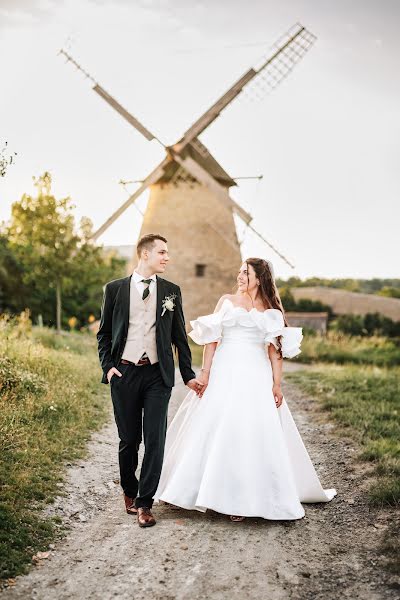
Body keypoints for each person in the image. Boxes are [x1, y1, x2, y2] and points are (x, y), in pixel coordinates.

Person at [155, 258, 337, 521]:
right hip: (225, 370)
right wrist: (205, 373)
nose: (239, 276)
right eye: (239, 271)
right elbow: (211, 340)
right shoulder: (226, 301)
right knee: (214, 427)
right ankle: (196, 491)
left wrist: (276, 384)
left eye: (245, 273)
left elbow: (275, 352)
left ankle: (241, 500)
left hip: (255, 373)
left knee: (247, 432)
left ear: (259, 278)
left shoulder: (271, 311)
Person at [97, 233, 203, 528]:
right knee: (129, 440)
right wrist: (108, 368)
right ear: (144, 255)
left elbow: (180, 337)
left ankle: (145, 503)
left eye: (167, 253)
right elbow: (104, 334)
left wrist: (188, 376)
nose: (167, 257)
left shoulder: (171, 291)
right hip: (125, 372)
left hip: (158, 375)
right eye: (162, 252)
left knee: (156, 440)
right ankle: (129, 492)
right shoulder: (115, 289)